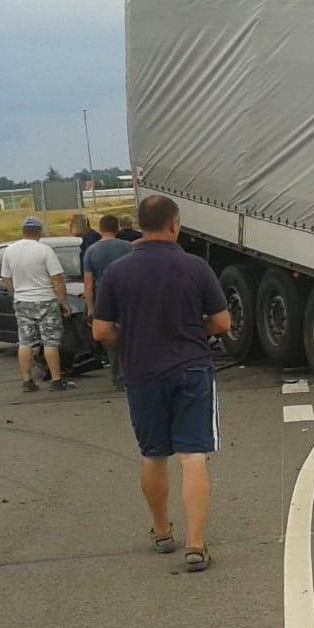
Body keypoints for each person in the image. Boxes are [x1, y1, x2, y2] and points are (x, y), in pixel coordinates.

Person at [93, 195, 231, 571]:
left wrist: (135, 335)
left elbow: (102, 329)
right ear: (174, 225)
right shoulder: (195, 267)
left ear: (139, 224)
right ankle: (197, 543)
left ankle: (161, 531)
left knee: (153, 454)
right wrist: (192, 330)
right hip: (191, 368)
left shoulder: (118, 272)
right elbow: (222, 323)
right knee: (193, 453)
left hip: (142, 372)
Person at [0, 216, 76, 392]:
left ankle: (27, 381)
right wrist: (63, 302)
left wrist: (16, 293)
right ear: (39, 232)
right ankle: (56, 380)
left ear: (23, 231)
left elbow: (5, 277)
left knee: (25, 342)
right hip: (45, 300)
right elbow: (57, 278)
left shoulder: (10, 250)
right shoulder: (44, 250)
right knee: (50, 341)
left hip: (22, 302)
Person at [82, 214, 133, 390]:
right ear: (117, 228)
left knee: (111, 339)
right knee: (133, 334)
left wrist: (90, 309)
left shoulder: (91, 251)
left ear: (101, 229)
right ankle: (136, 372)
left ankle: (119, 377)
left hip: (105, 299)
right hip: (129, 297)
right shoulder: (127, 248)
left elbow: (88, 284)